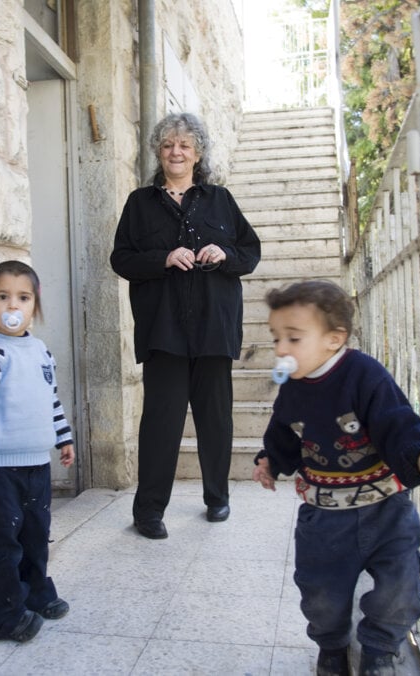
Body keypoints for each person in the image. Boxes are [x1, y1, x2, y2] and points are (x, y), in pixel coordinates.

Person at [252, 281, 420, 676]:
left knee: (400, 587)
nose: (282, 349)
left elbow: (396, 420)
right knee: (320, 594)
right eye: (277, 338)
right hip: (324, 516)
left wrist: (417, 455)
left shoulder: (364, 374)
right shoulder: (293, 389)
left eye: (294, 338)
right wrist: (269, 460)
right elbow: (283, 432)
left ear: (334, 339)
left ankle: (380, 648)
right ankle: (332, 646)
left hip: (386, 506)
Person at [110, 112, 261, 539]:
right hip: (164, 331)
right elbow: (121, 259)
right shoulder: (140, 203)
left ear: (197, 154)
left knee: (215, 418)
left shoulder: (221, 200)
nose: (176, 152)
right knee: (161, 422)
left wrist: (224, 253)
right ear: (159, 153)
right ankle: (148, 512)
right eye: (168, 145)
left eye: (185, 146)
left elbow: (250, 252)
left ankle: (218, 498)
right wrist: (162, 258)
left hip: (214, 327)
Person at [0, 260, 76, 643]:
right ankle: (4, 614)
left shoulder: (40, 351)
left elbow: (50, 400)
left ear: (34, 306)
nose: (12, 306)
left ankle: (36, 592)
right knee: (1, 543)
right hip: (0, 471)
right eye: (2, 297)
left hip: (37, 465)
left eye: (22, 298)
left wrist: (64, 437)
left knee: (36, 534)